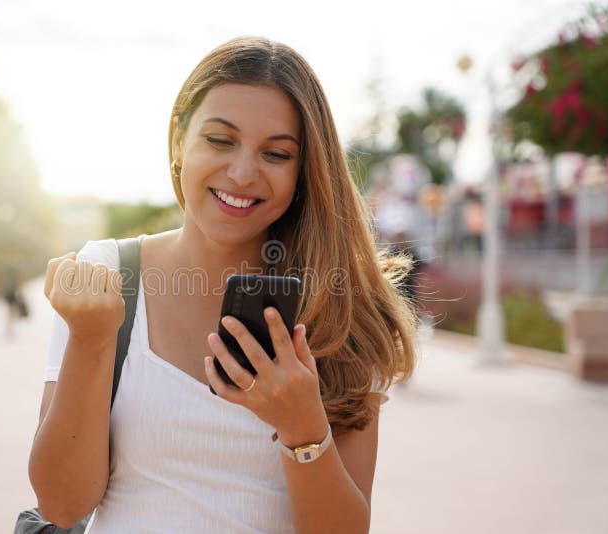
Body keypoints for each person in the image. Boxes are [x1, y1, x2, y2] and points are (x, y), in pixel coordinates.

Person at [29, 36, 418, 532]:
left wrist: (303, 427)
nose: (241, 173)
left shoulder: (338, 308)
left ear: (303, 171)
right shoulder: (107, 276)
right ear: (178, 140)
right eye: (219, 140)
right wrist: (90, 339)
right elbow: (62, 505)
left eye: (276, 153)